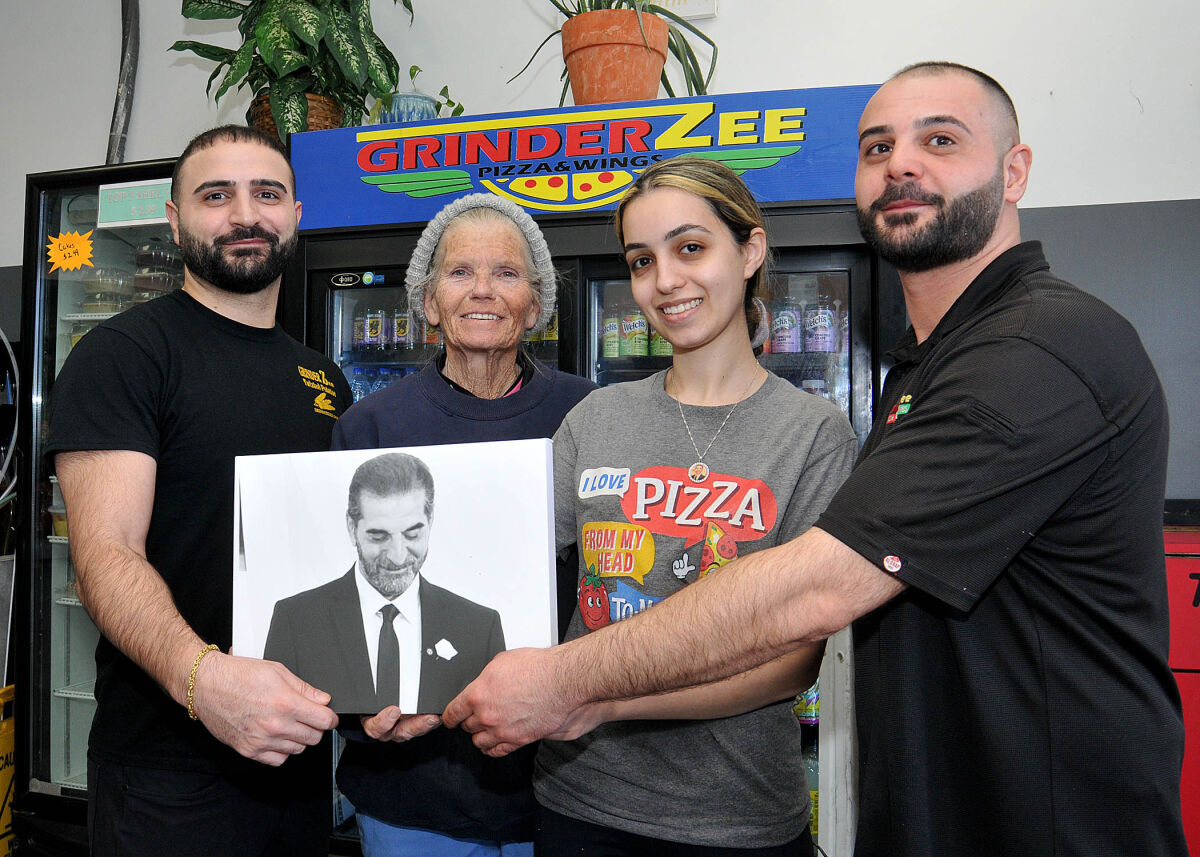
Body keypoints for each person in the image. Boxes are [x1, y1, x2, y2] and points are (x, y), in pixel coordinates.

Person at [445, 62, 1188, 857]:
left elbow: (816, 594)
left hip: (1045, 825)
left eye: (940, 139)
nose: (901, 163)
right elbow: (497, 565)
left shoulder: (1038, 346)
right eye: (877, 148)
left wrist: (574, 686)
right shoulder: (924, 368)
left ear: (1014, 171)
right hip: (927, 815)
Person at [533, 156, 857, 857]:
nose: (665, 281)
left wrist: (599, 696)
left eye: (690, 248)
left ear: (750, 250)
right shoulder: (595, 418)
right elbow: (508, 574)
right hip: (580, 800)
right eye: (641, 260)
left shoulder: (814, 433)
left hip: (737, 821)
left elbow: (794, 660)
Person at [45, 125, 351, 857]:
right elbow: (106, 555)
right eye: (217, 195)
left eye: (266, 194)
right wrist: (204, 681)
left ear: (296, 217)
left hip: (298, 758)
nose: (245, 214)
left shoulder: (323, 379)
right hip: (167, 772)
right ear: (177, 219)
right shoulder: (123, 356)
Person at [330, 193, 596, 856]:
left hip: (564, 787)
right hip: (412, 792)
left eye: (506, 273)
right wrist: (361, 711)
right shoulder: (371, 427)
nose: (483, 290)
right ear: (427, 302)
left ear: (535, 303)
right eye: (459, 273)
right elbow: (338, 600)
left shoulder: (586, 414)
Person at [263, 451, 506, 714]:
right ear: (351, 527)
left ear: (431, 521)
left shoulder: (480, 627)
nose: (398, 556)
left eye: (412, 534)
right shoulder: (295, 620)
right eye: (379, 537)